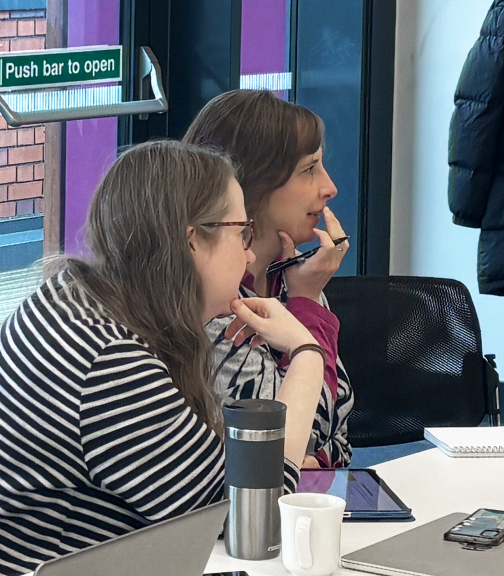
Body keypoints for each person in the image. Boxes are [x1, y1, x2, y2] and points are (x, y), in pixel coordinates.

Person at [0, 141, 325, 575]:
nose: (249, 253)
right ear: (192, 241)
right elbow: (250, 516)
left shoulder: (66, 299)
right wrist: (306, 354)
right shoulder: (108, 361)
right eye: (241, 232)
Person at [183, 90, 353, 468]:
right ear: (251, 183)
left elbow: (339, 437)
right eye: (309, 170)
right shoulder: (214, 298)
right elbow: (304, 434)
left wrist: (318, 456)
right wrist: (306, 305)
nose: (330, 187)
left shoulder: (290, 274)